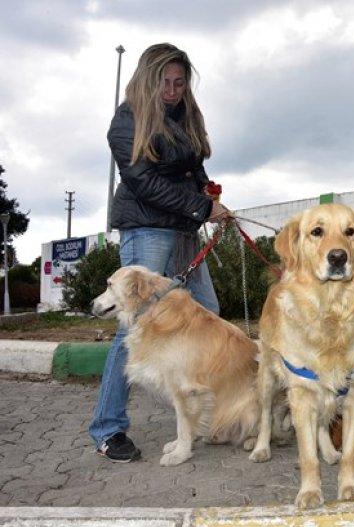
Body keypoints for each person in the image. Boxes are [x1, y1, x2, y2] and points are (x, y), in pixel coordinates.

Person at [89, 43, 230, 462]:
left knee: (208, 315)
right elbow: (143, 181)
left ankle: (211, 417)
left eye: (179, 82)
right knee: (132, 330)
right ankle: (108, 428)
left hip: (183, 230)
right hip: (147, 229)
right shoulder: (127, 119)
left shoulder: (185, 116)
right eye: (165, 82)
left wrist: (211, 196)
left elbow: (194, 168)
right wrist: (201, 206)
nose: (172, 90)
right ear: (149, 79)